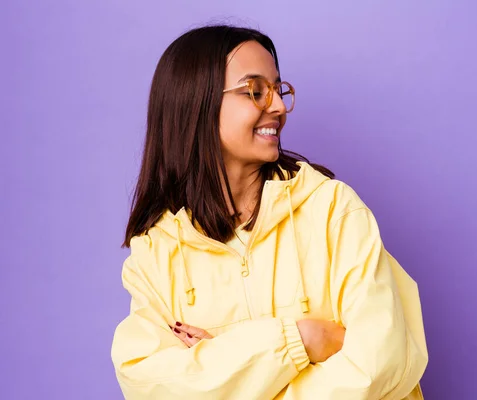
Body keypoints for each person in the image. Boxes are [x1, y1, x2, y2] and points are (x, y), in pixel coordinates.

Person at [110, 25, 428, 400]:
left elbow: (381, 362)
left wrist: (226, 363)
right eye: (255, 92)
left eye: (278, 90)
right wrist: (301, 339)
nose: (277, 107)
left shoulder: (332, 209)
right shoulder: (157, 249)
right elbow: (150, 385)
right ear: (196, 104)